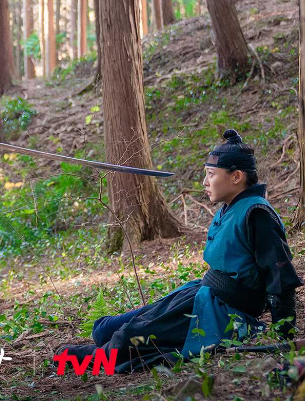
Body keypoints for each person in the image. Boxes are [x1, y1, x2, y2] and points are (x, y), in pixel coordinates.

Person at [57, 129, 302, 373]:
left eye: (211, 174)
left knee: (130, 337)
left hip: (223, 313)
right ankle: (106, 344)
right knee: (105, 328)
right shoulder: (231, 207)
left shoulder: (257, 214)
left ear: (236, 176)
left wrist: (284, 335)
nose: (205, 182)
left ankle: (93, 358)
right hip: (202, 293)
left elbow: (280, 277)